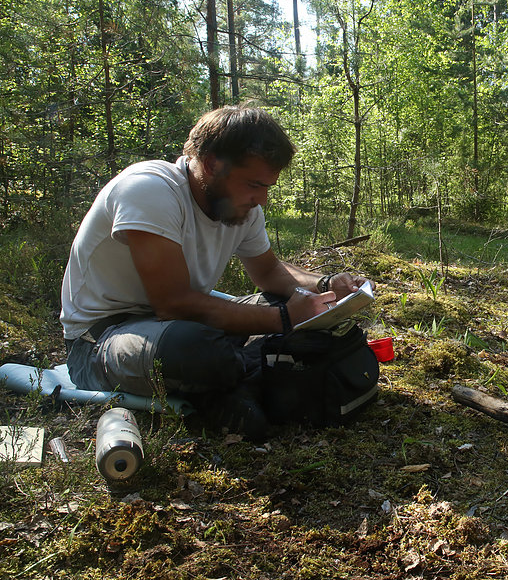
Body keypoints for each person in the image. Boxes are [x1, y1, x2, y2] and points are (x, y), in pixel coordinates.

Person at [60, 106, 372, 439]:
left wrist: (324, 286)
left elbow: (269, 272)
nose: (262, 199)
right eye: (254, 184)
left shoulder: (241, 206)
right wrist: (284, 319)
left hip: (187, 324)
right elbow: (173, 304)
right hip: (101, 340)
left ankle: (233, 381)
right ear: (211, 165)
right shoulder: (149, 188)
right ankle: (245, 378)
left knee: (290, 306)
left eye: (268, 186)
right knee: (192, 347)